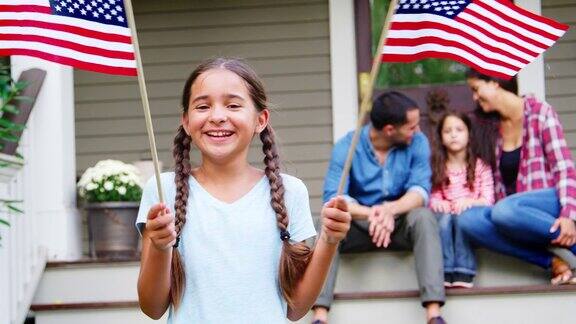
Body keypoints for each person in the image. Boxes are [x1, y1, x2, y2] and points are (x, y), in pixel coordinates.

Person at [135, 58, 351, 323]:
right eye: (203, 106)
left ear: (261, 120)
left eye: (233, 105)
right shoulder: (162, 190)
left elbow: (296, 308)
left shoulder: (289, 192)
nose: (217, 117)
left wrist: (328, 241)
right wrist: (159, 247)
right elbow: (152, 307)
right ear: (187, 121)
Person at [312, 91, 446, 324]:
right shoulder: (348, 146)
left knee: (424, 216)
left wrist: (389, 210)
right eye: (412, 127)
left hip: (402, 222)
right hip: (359, 225)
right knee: (325, 222)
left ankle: (434, 314)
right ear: (389, 130)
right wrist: (372, 213)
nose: (418, 131)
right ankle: (320, 316)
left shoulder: (418, 143)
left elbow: (420, 191)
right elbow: (333, 197)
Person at [458, 69, 576, 285]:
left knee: (504, 210)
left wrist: (568, 215)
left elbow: (564, 168)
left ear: (494, 83)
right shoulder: (488, 127)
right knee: (468, 220)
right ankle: (552, 263)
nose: (474, 97)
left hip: (548, 205)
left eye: (476, 89)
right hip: (512, 217)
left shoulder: (540, 113)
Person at [428, 95, 495, 289]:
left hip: (471, 213)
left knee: (461, 219)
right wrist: (437, 202)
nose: (453, 135)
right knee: (446, 219)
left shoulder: (480, 166)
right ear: (441, 136)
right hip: (447, 216)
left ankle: (464, 271)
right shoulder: (437, 166)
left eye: (459, 130)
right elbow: (432, 196)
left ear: (469, 134)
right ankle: (445, 270)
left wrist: (469, 202)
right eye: (447, 131)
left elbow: (488, 199)